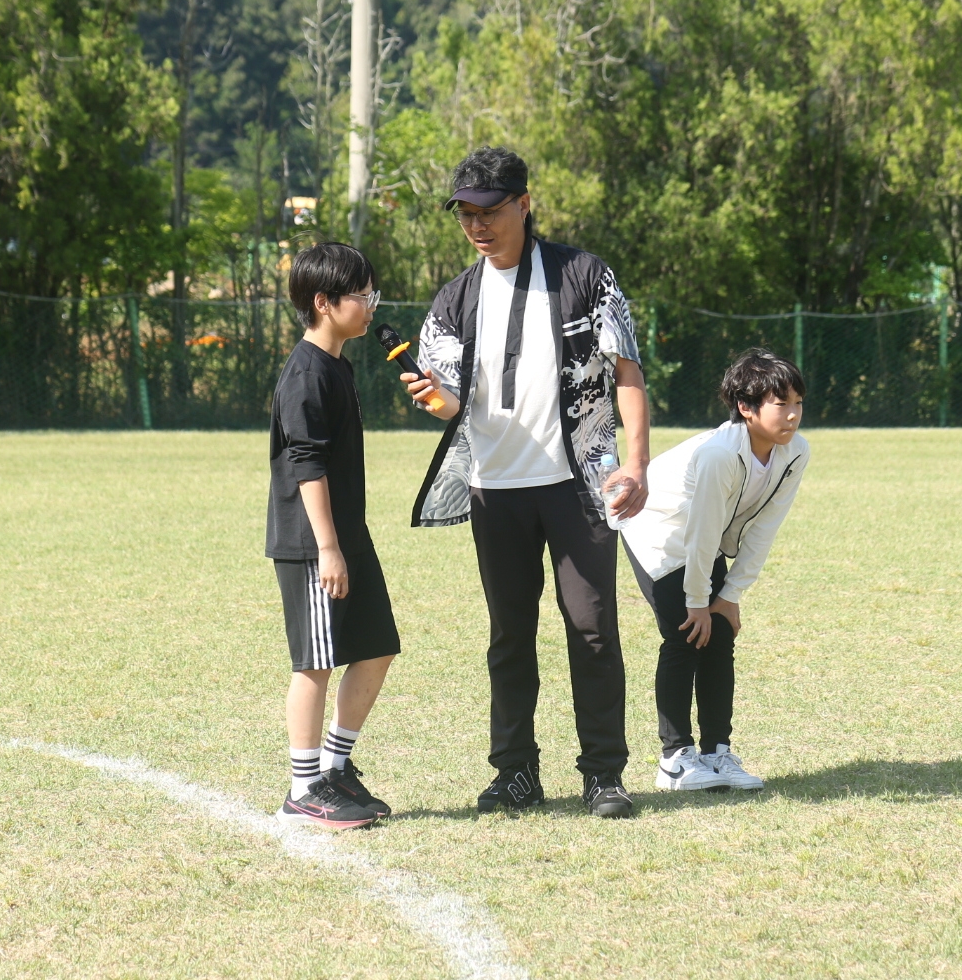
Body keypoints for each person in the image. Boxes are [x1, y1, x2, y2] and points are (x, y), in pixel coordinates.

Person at [398, 146, 651, 819]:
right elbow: (451, 400)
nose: (477, 225)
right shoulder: (454, 300)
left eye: (489, 210)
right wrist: (435, 400)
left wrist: (636, 464)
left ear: (524, 204)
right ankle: (515, 773)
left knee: (592, 629)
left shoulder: (584, 276)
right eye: (465, 214)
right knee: (509, 636)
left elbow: (626, 368)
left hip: (578, 486)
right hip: (494, 489)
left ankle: (604, 775)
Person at [619, 349, 810, 792]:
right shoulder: (719, 455)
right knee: (686, 633)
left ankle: (716, 753)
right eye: (781, 404)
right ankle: (674, 760)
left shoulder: (795, 452)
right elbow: (700, 535)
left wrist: (728, 597)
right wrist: (696, 603)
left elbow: (764, 529)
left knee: (719, 633)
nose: (793, 415)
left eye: (798, 403)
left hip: (702, 535)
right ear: (746, 407)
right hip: (657, 528)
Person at [267, 242, 401, 829]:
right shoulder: (305, 374)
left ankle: (334, 768)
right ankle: (303, 789)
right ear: (323, 302)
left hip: (349, 537)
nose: (372, 305)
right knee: (315, 662)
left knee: (377, 648)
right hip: (313, 544)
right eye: (362, 295)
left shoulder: (337, 364)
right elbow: (307, 465)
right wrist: (327, 548)